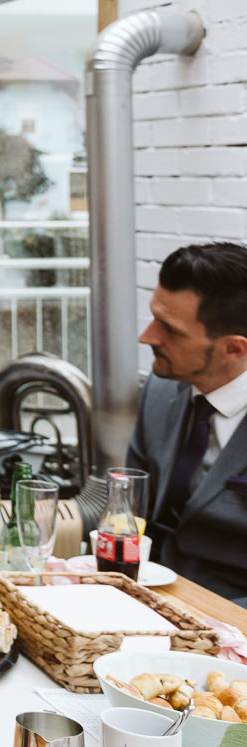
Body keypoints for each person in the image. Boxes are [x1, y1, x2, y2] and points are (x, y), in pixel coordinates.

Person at [127, 242, 247, 602]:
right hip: (147, 596)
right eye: (153, 316)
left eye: (170, 330)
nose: (147, 337)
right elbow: (129, 507)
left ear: (233, 349)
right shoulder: (161, 390)